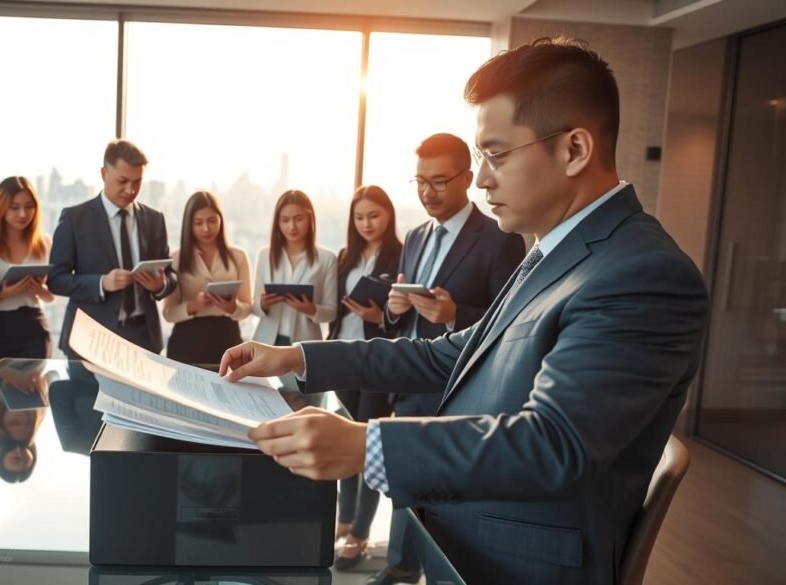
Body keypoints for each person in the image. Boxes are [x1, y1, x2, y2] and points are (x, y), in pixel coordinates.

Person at [220, 37, 710, 585]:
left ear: (574, 150)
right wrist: (295, 358)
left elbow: (554, 445)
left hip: (519, 568)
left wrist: (365, 444)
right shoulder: (553, 251)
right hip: (467, 543)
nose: (479, 180)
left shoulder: (641, 275)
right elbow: (450, 356)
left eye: (496, 156)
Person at [373, 133, 525, 584]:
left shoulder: (499, 239)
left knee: (447, 497)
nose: (427, 192)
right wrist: (393, 309)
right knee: (404, 482)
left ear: (466, 176)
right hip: (411, 383)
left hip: (460, 391)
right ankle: (399, 569)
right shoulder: (416, 236)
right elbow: (396, 320)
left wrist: (456, 314)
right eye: (420, 181)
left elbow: (512, 327)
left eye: (438, 182)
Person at [325, 185, 403, 571]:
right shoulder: (345, 257)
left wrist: (380, 319)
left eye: (374, 215)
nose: (366, 223)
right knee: (342, 440)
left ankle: (359, 531)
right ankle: (343, 518)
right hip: (343, 357)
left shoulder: (402, 255)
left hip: (376, 360)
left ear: (388, 215)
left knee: (368, 443)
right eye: (359, 217)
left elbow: (404, 316)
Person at [49, 139, 177, 355]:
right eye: (123, 180)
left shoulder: (154, 219)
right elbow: (55, 280)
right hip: (90, 338)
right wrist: (101, 283)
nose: (131, 189)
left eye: (137, 181)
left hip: (143, 339)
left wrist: (160, 285)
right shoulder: (74, 219)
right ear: (103, 174)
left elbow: (171, 276)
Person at [162, 191, 253, 367]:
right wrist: (193, 306)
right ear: (189, 225)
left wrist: (233, 308)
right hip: (186, 342)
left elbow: (248, 307)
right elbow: (168, 313)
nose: (206, 228)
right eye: (198, 223)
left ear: (221, 219)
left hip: (228, 340)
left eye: (212, 221)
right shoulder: (176, 258)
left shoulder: (239, 256)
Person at [0, 176, 53, 369]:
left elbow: (50, 297)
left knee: (35, 394)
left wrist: (40, 290)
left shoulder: (44, 243)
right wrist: (4, 294)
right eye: (14, 207)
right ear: (1, 207)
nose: (23, 214)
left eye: (29, 206)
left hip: (35, 326)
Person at [252, 189, 337, 348]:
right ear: (277, 222)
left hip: (306, 344)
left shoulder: (327, 259)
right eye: (285, 220)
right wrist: (262, 304)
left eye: (299, 219)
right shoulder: (265, 255)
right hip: (266, 340)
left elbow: (331, 312)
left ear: (310, 218)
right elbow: (254, 306)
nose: (292, 226)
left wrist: (312, 310)